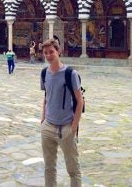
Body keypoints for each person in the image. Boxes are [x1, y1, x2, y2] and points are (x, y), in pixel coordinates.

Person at [40, 38, 83, 186]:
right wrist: (43, 120)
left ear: (59, 51)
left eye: (51, 52)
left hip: (66, 127)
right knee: (49, 168)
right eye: (45, 53)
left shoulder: (70, 73)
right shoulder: (44, 73)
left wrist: (74, 126)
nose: (48, 55)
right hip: (48, 126)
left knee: (73, 170)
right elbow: (46, 96)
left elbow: (80, 100)